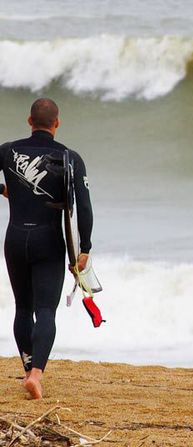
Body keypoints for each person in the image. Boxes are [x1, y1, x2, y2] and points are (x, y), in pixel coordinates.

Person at [0, 98, 94, 400]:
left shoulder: (7, 151)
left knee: (23, 308)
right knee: (45, 311)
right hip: (49, 242)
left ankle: (27, 367)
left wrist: (8, 191)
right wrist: (85, 247)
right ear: (57, 124)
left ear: (29, 121)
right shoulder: (69, 157)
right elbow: (84, 207)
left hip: (15, 238)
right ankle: (37, 375)